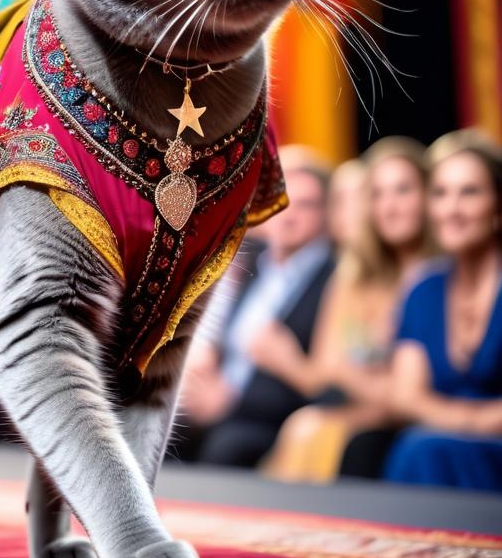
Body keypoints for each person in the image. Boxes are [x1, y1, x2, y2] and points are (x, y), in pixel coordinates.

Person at [262, 138, 434, 481]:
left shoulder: (437, 278)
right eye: (378, 194)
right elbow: (328, 368)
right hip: (360, 409)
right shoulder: (356, 275)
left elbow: (407, 392)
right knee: (305, 427)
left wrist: (348, 373)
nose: (390, 206)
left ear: (429, 196)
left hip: (408, 419)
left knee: (331, 437)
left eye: (403, 190)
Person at [176, 146, 336, 466]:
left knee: (226, 447)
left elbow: (326, 385)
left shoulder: (335, 278)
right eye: (281, 199)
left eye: (305, 205)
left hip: (272, 420)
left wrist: (229, 403)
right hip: (215, 403)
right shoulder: (252, 264)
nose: (289, 214)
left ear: (325, 214)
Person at [381, 130, 502, 490]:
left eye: (470, 192)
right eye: (441, 193)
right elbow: (405, 397)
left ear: (497, 204)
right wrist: (473, 420)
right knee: (417, 447)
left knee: (420, 448)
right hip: (438, 443)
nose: (452, 210)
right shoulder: (424, 289)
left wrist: (452, 418)